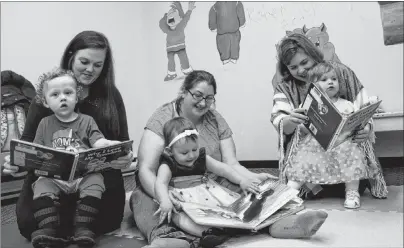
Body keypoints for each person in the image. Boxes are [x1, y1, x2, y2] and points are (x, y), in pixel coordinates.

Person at [131, 70, 328, 248]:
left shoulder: (214, 119)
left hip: (208, 184)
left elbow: (230, 164)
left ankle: (283, 224)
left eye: (209, 98)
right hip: (166, 187)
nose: (202, 103)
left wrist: (251, 178)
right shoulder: (162, 118)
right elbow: (145, 169)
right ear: (184, 91)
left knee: (254, 190)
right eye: (197, 95)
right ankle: (167, 239)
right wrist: (163, 196)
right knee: (142, 199)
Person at [3, 30, 133, 242]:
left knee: (109, 219)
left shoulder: (111, 95)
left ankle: (77, 227)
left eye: (98, 65)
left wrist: (124, 157)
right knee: (28, 223)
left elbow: (120, 143)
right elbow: (28, 145)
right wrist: (16, 163)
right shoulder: (47, 95)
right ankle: (61, 227)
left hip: (95, 176)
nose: (90, 69)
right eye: (84, 61)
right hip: (51, 177)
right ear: (71, 55)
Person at [271, 33, 387, 202]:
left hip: (345, 157)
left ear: (313, 54)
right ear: (286, 69)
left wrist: (365, 129)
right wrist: (291, 121)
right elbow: (279, 123)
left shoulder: (341, 72)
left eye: (304, 62)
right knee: (304, 176)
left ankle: (351, 191)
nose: (301, 70)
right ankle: (293, 194)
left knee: (352, 169)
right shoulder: (285, 87)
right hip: (310, 167)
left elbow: (363, 108)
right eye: (293, 67)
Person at [29, 68, 124, 248]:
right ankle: (48, 229)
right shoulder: (44, 123)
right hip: (55, 177)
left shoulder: (86, 120)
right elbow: (36, 150)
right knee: (41, 184)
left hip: (83, 175)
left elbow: (98, 141)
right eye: (55, 94)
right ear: (46, 102)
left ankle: (83, 228)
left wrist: (107, 144)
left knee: (96, 180)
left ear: (77, 97)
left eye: (68, 93)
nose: (63, 97)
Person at [285, 62, 381, 209]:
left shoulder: (347, 104)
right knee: (302, 161)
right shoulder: (309, 105)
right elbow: (302, 129)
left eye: (333, 79)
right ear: (313, 86)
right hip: (316, 145)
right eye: (324, 80)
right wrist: (304, 124)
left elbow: (358, 121)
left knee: (353, 153)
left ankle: (352, 192)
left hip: (343, 145)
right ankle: (289, 194)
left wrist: (363, 125)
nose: (330, 82)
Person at [155, 116, 261, 247]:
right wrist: (164, 200)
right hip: (183, 200)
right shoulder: (168, 164)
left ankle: (234, 227)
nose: (191, 155)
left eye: (194, 149)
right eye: (184, 152)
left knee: (229, 207)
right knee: (179, 218)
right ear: (169, 151)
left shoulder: (201, 157)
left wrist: (241, 181)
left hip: (206, 193)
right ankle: (207, 234)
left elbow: (223, 169)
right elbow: (160, 183)